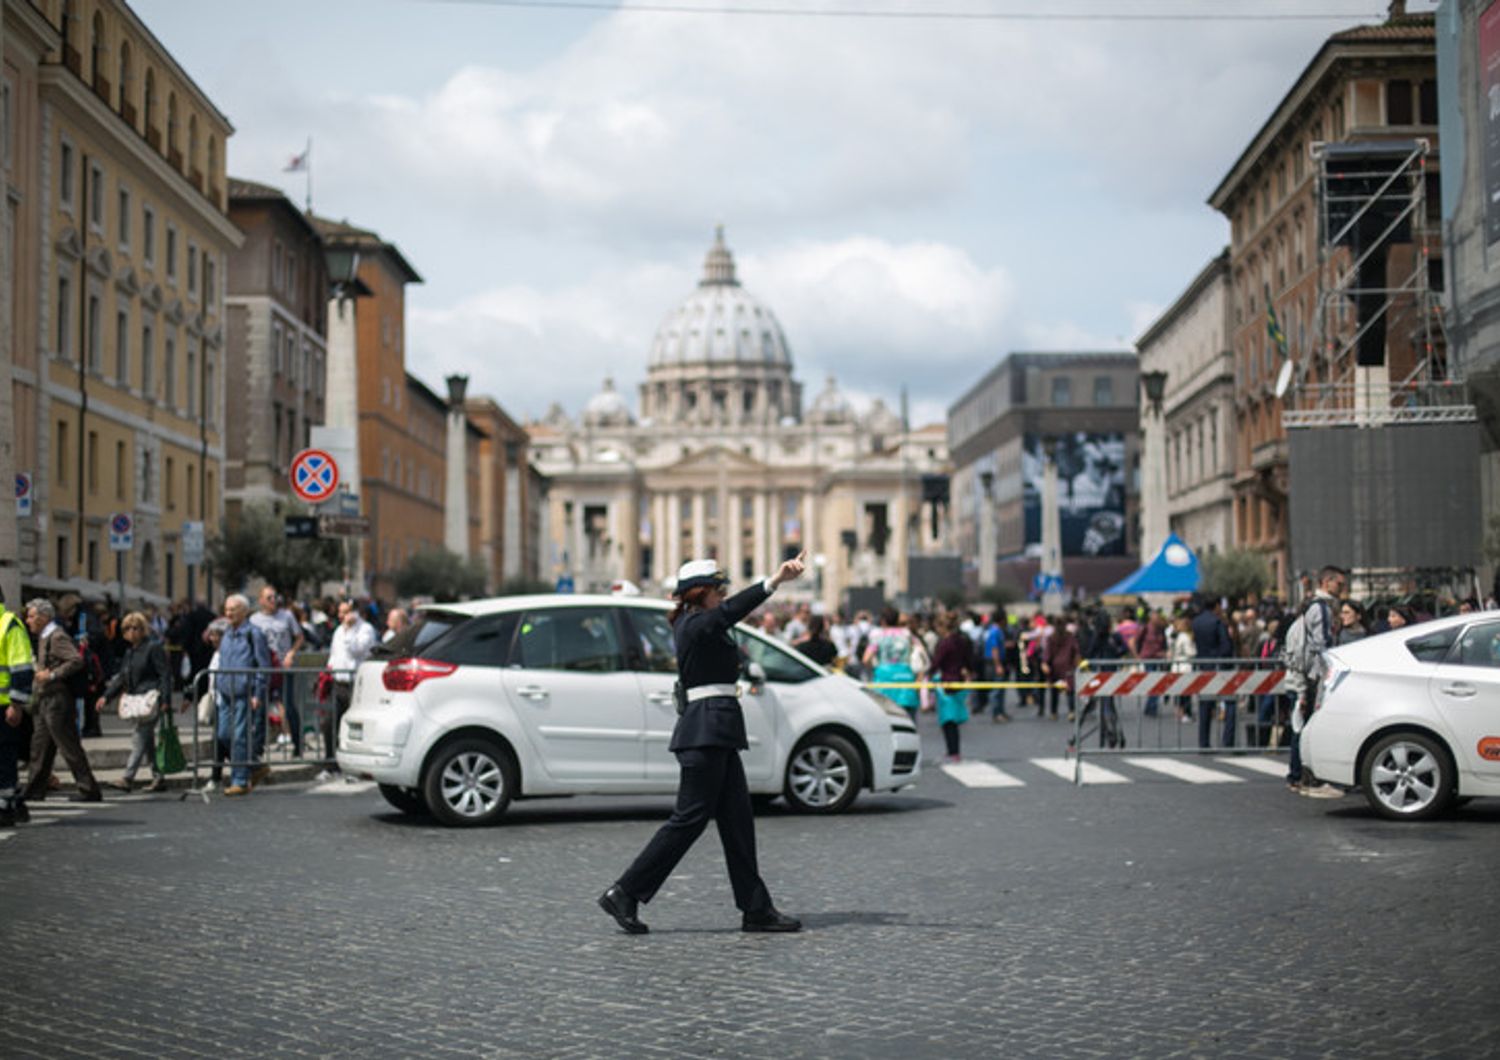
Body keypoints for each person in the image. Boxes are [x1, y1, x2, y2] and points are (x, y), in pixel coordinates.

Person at [600, 555, 807, 935]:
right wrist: (773, 580)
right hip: (705, 732)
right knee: (688, 821)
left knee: (738, 822)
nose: (722, 595)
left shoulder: (700, 624)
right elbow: (729, 613)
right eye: (718, 589)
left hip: (717, 732)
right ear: (701, 593)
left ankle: (755, 908)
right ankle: (625, 891)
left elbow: (726, 621)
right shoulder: (695, 623)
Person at [21, 599, 101, 804]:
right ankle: (34, 789)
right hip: (44, 699)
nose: (28, 620)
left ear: (43, 617)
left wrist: (53, 675)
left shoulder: (56, 636)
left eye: (31, 616)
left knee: (69, 747)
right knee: (40, 747)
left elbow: (76, 660)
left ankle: (89, 789)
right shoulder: (43, 636)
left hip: (57, 700)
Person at [1284, 566, 1347, 798]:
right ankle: (1304, 777)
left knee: (1301, 726)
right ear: (1327, 582)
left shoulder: (1310, 607)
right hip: (1311, 676)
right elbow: (1321, 645)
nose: (1342, 589)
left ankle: (1298, 776)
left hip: (1304, 675)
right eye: (1339, 584)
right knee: (1306, 727)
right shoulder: (1321, 608)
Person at [100, 612, 173, 793]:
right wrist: (106, 696)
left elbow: (164, 674)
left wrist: (165, 700)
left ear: (143, 629)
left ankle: (128, 777)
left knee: (139, 736)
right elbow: (122, 677)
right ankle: (158, 777)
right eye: (126, 628)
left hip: (150, 700)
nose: (131, 632)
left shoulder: (153, 648)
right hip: (137, 701)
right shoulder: (130, 652)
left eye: (135, 628)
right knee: (147, 741)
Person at [217, 594, 272, 797]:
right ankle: (254, 766)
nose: (228, 613)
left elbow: (263, 665)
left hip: (244, 693)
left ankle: (239, 780)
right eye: (227, 609)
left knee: (239, 736)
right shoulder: (226, 633)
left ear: (245, 611)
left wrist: (258, 692)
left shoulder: (254, 634)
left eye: (233, 609)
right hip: (225, 692)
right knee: (223, 734)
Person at [322, 599, 378, 779]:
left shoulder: (366, 630)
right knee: (329, 723)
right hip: (339, 683)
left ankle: (354, 768)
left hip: (356, 685)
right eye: (340, 612)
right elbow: (334, 654)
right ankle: (331, 765)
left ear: (354, 612)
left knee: (353, 728)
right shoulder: (339, 630)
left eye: (345, 612)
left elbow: (356, 650)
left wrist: (348, 630)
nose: (340, 616)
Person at [251, 586, 305, 766]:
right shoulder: (254, 620)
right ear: (261, 600)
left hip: (283, 668)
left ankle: (298, 745)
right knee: (260, 709)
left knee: (289, 706)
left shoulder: (287, 616)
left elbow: (299, 637)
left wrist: (291, 653)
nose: (273, 600)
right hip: (264, 669)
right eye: (269, 598)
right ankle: (257, 749)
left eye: (274, 597)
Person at [0, 588, 37, 827]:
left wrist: (16, 704)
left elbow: (22, 668)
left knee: (4, 756)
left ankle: (6, 806)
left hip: (4, 706)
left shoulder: (9, 625)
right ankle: (13, 801)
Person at [1191, 596, 1236, 749]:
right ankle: (1227, 741)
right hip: (1220, 667)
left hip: (1203, 666)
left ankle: (1203, 743)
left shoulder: (1196, 622)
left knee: (1205, 706)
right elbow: (1226, 647)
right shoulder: (1218, 622)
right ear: (1216, 606)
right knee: (1230, 702)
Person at [863, 608, 919, 724]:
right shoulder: (907, 635)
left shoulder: (878, 637)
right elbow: (920, 653)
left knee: (886, 724)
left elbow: (866, 659)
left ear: (883, 621)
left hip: (884, 684)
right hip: (906, 682)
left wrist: (875, 668)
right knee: (908, 724)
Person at [930, 612, 972, 763]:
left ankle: (952, 752)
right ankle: (955, 752)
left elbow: (936, 663)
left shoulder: (945, 643)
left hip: (946, 682)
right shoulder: (961, 640)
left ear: (942, 627)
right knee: (953, 720)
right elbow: (968, 660)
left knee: (947, 720)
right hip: (959, 681)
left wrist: (927, 675)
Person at [1040, 616, 1080, 721]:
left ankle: (1054, 712)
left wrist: (1045, 663)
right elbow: (1075, 651)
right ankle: (1071, 711)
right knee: (1070, 690)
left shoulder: (1051, 638)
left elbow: (1047, 653)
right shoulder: (1070, 637)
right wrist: (1077, 664)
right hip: (1068, 667)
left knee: (1054, 691)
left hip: (1055, 668)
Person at [1169, 614, 1196, 722]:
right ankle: (1185, 713)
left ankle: (1179, 712)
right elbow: (1191, 652)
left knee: (1179, 692)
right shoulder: (1185, 637)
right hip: (1185, 666)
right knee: (1186, 693)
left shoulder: (1176, 636)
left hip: (1176, 666)